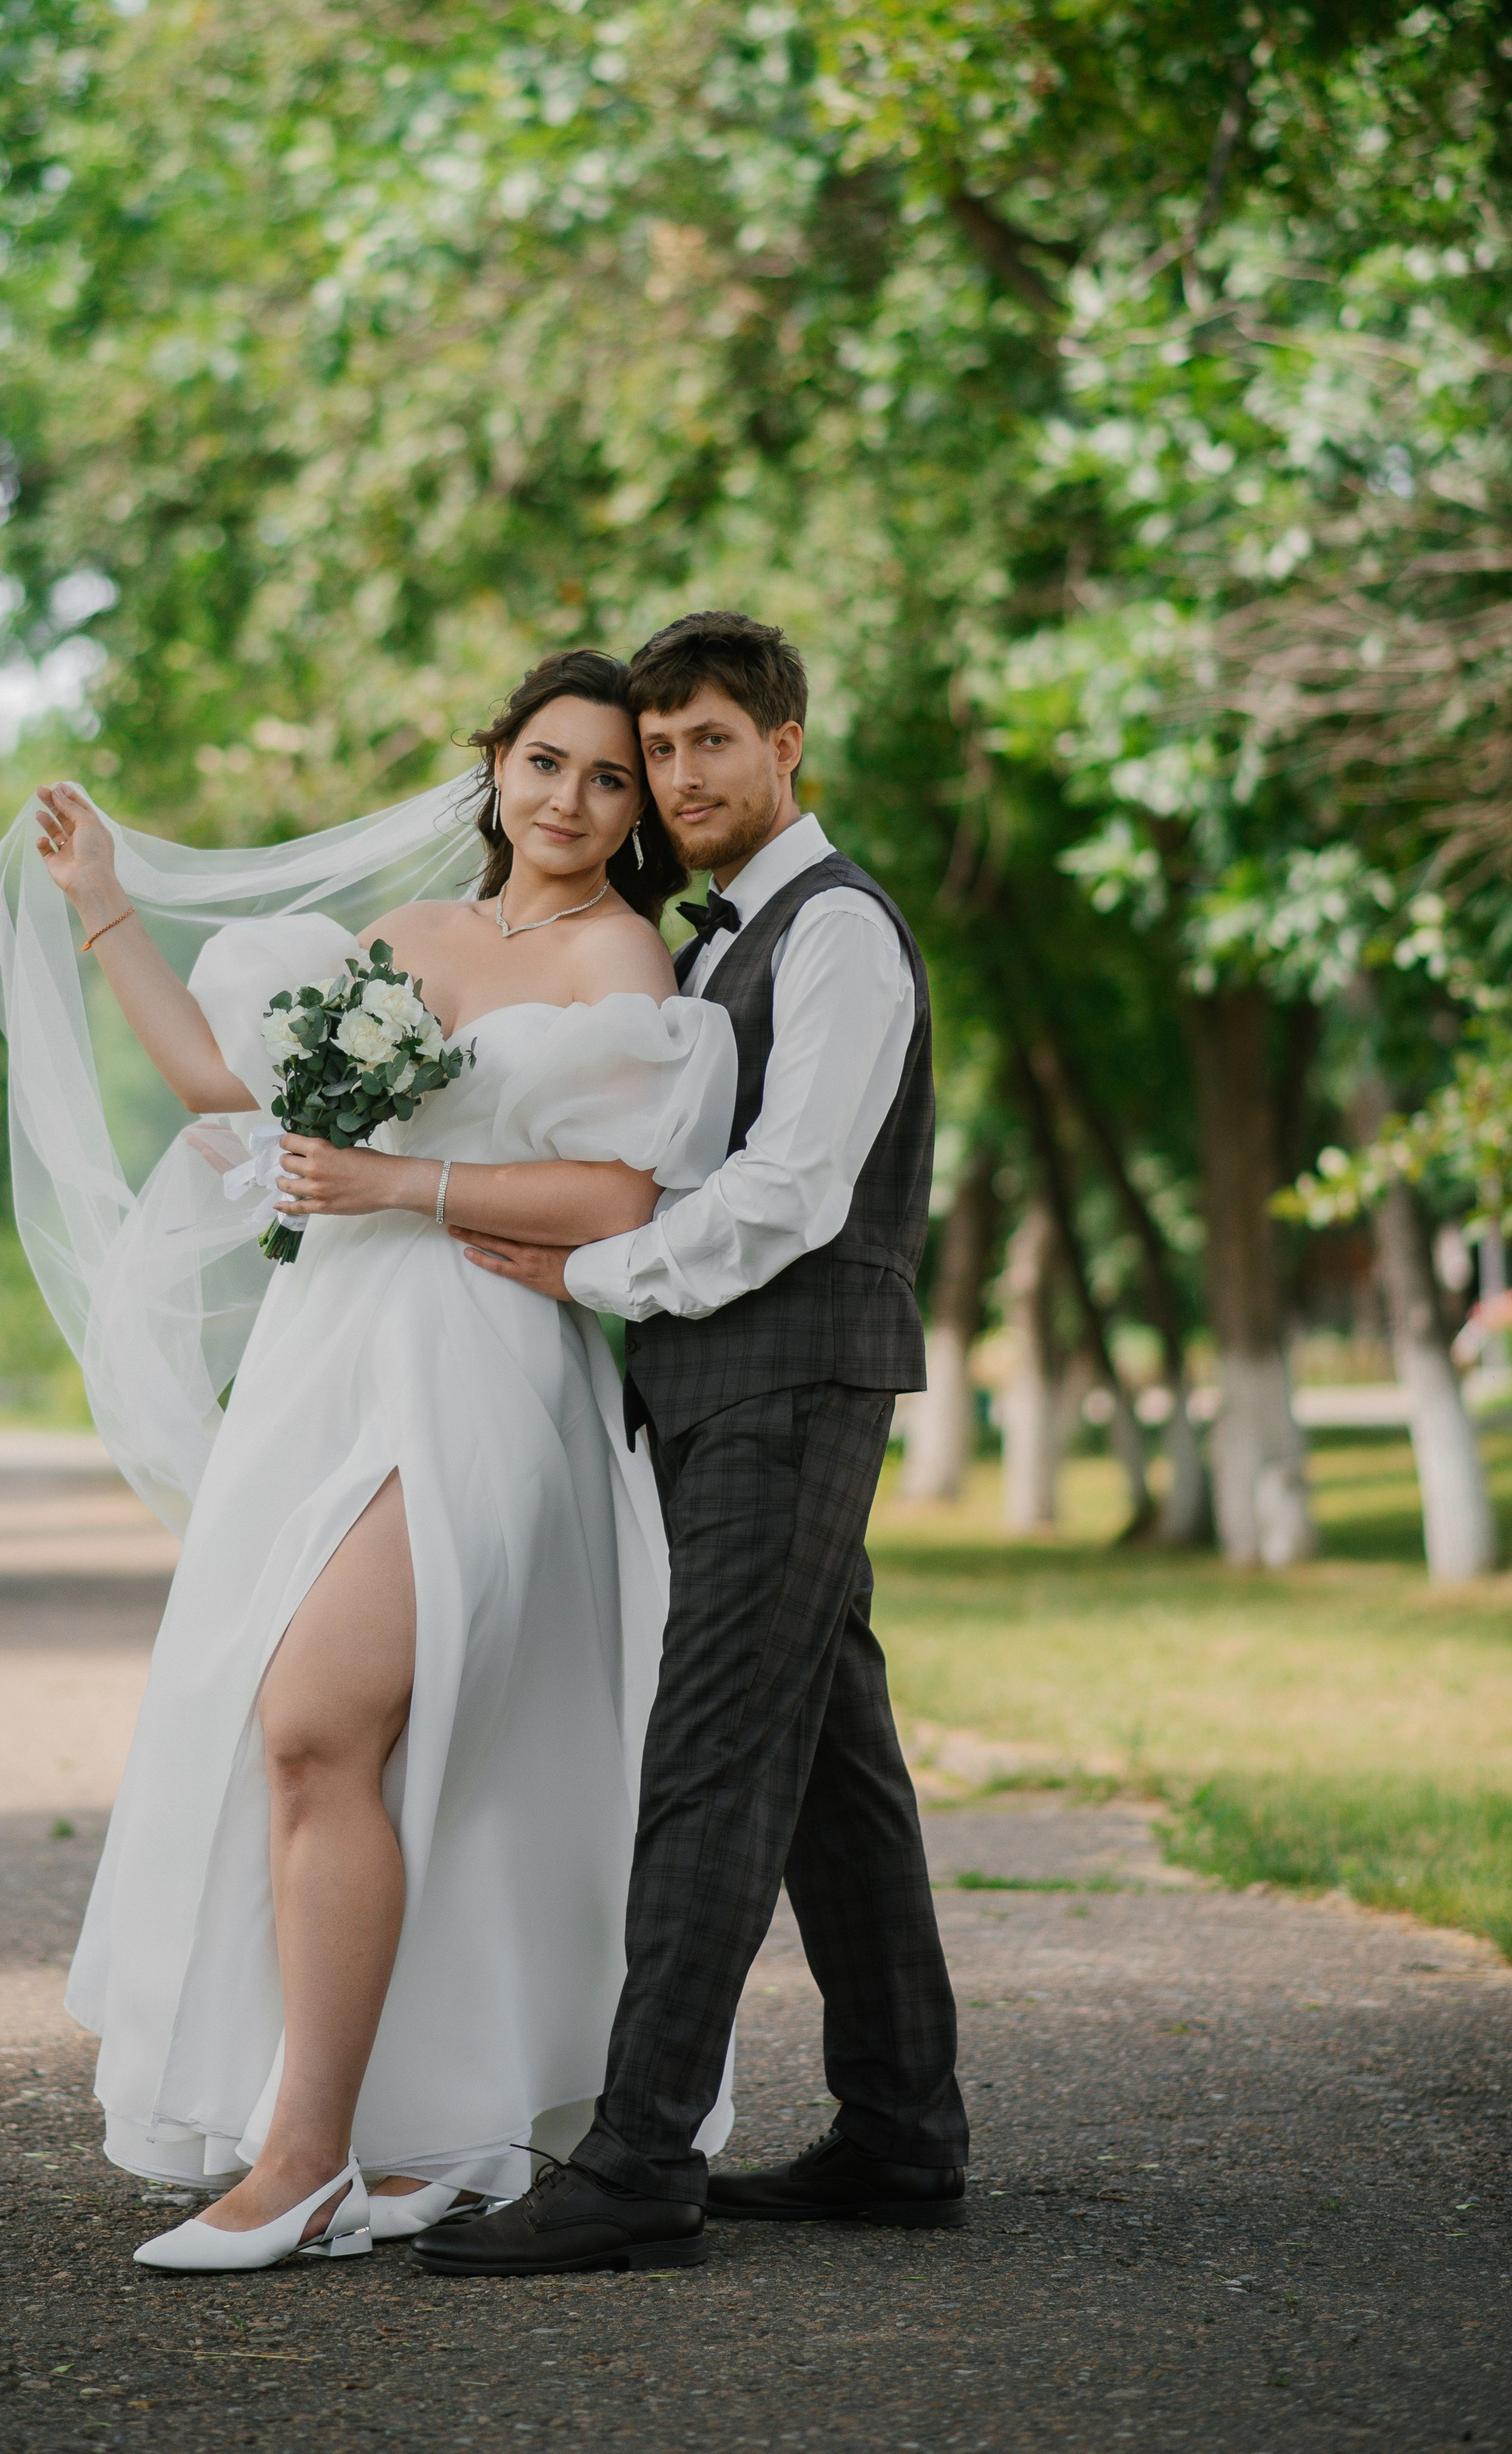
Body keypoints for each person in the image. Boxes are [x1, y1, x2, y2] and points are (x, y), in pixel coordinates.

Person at [0, 651, 738, 2273]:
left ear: (632, 817)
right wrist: (105, 908)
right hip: (325, 1362)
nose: (570, 799)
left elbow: (618, 1199)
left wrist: (403, 1184)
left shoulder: (621, 952)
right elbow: (226, 1098)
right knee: (379, 1751)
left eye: (609, 780)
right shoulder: (398, 945)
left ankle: (304, 2157)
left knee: (315, 1719)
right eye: (547, 762)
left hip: (478, 1361)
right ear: (495, 765)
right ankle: (418, 2133)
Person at [429, 609, 968, 2277]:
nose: (676, 775)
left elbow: (795, 1192)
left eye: (706, 741)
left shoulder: (836, 932)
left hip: (790, 1383)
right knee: (831, 1776)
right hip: (726, 1390)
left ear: (786, 745)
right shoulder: (728, 934)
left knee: (713, 1756)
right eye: (657, 749)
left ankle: (637, 2159)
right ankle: (898, 2132)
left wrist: (597, 1274)